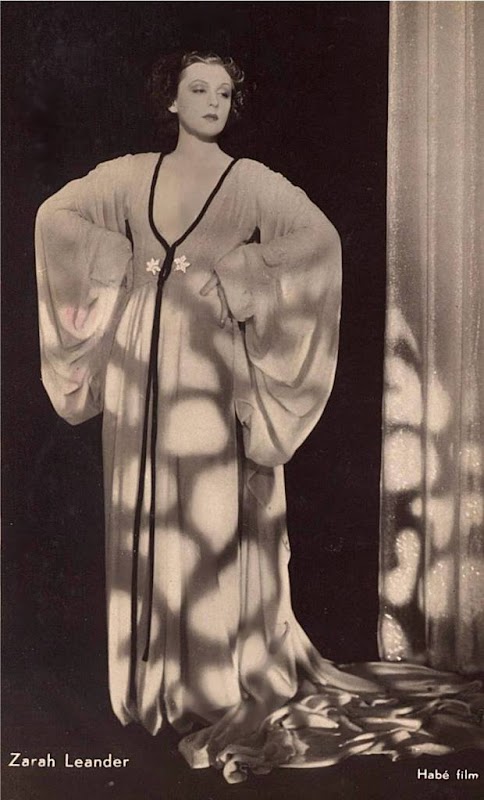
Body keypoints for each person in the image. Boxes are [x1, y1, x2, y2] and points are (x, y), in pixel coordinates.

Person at [35, 52, 483, 783]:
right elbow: (55, 216)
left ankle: (213, 679)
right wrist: (115, 257)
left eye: (223, 92)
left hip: (210, 369)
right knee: (145, 509)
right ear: (172, 101)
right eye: (198, 89)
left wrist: (240, 276)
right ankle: (153, 678)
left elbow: (318, 242)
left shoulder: (249, 183)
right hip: (137, 369)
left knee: (208, 512)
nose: (213, 101)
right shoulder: (130, 176)